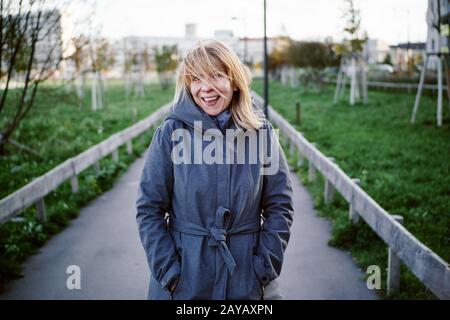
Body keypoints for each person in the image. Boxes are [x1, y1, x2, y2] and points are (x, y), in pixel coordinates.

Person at [136, 40, 294, 300]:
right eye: (196, 79)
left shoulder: (261, 134)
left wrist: (264, 266)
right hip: (185, 281)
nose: (206, 88)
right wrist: (170, 273)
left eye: (216, 76)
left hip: (247, 280)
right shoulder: (170, 133)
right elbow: (149, 209)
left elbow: (280, 204)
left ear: (233, 81)